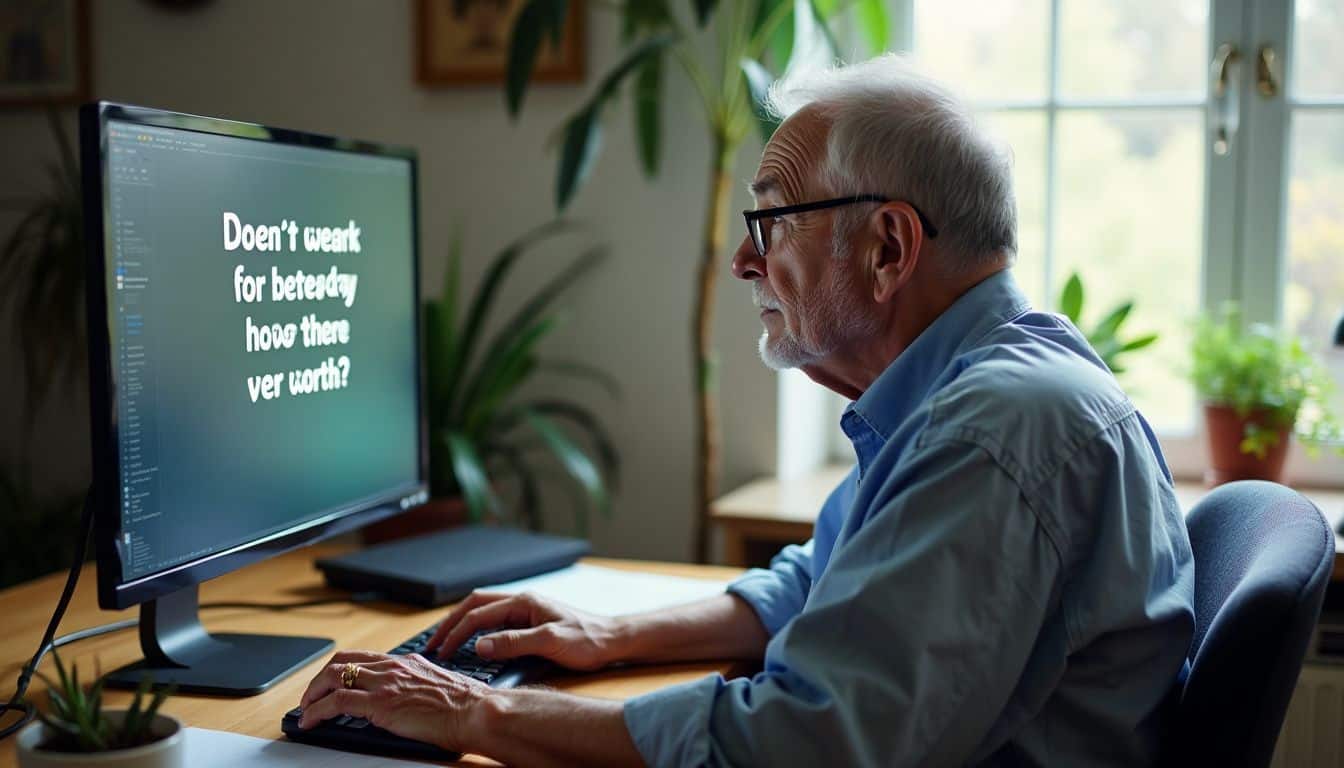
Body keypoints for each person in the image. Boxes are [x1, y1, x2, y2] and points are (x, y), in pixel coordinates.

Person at [296, 54, 1195, 767]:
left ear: (888, 247)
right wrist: (597, 636)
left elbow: (801, 742)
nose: (741, 262)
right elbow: (820, 580)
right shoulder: (980, 381)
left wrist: (478, 710)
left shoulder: (989, 433)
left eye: (771, 223)